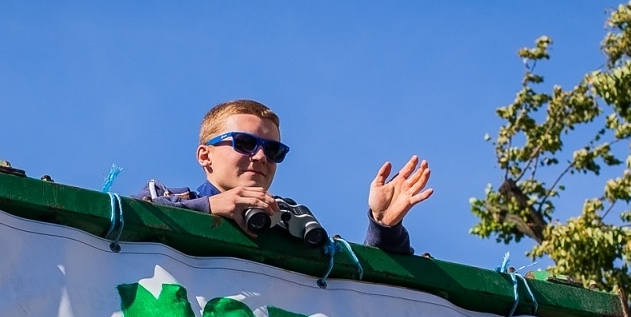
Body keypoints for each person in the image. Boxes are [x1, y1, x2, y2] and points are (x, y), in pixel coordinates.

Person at [143, 99, 432, 256]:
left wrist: (384, 227)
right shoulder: (163, 200)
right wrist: (210, 208)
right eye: (245, 143)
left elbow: (364, 291)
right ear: (205, 155)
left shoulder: (292, 223)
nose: (260, 157)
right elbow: (128, 224)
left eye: (273, 150)